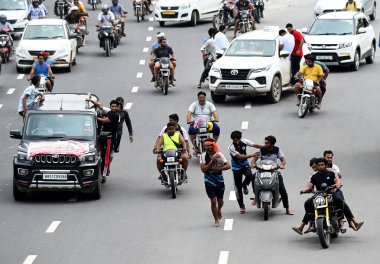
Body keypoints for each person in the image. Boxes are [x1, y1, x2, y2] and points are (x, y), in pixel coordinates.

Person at [292, 158, 363, 235]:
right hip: (319, 195)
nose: (321, 166)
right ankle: (312, 223)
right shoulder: (314, 176)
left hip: (330, 194)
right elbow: (310, 185)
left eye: (322, 165)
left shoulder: (331, 173)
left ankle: (341, 221)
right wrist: (305, 190)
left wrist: (337, 185)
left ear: (325, 165)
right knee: (307, 203)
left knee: (339, 200)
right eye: (319, 165)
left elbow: (337, 180)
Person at [251, 135, 294, 215]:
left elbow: (283, 160)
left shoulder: (277, 150)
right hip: (261, 171)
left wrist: (281, 165)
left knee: (283, 190)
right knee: (253, 177)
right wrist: (253, 164)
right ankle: (256, 197)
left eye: (267, 143)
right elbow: (254, 159)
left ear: (272, 144)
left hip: (274, 171)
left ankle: (287, 208)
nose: (265, 144)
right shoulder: (261, 150)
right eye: (265, 142)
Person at [228, 130, 262, 213]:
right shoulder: (231, 147)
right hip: (236, 168)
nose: (237, 141)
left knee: (249, 175)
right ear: (232, 139)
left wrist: (265, 147)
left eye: (238, 140)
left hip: (245, 165)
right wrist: (252, 155)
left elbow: (255, 145)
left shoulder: (244, 141)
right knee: (238, 189)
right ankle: (242, 206)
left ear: (240, 138)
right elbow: (240, 156)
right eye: (235, 140)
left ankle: (245, 185)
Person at [200, 139, 231, 227]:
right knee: (213, 201)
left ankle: (219, 209)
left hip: (219, 180)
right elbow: (203, 169)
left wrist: (219, 169)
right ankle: (216, 220)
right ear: (204, 146)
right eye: (207, 145)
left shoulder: (219, 154)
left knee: (220, 201)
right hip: (209, 181)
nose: (209, 147)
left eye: (210, 145)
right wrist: (211, 162)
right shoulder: (202, 156)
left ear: (213, 145)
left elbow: (228, 165)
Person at [96, 100, 120, 179]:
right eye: (112, 106)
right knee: (98, 154)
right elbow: (100, 106)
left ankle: (104, 174)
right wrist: (90, 100)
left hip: (109, 139)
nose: (114, 108)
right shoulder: (109, 112)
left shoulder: (116, 115)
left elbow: (104, 120)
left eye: (115, 106)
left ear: (117, 107)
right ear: (110, 106)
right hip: (102, 137)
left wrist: (94, 117)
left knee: (106, 156)